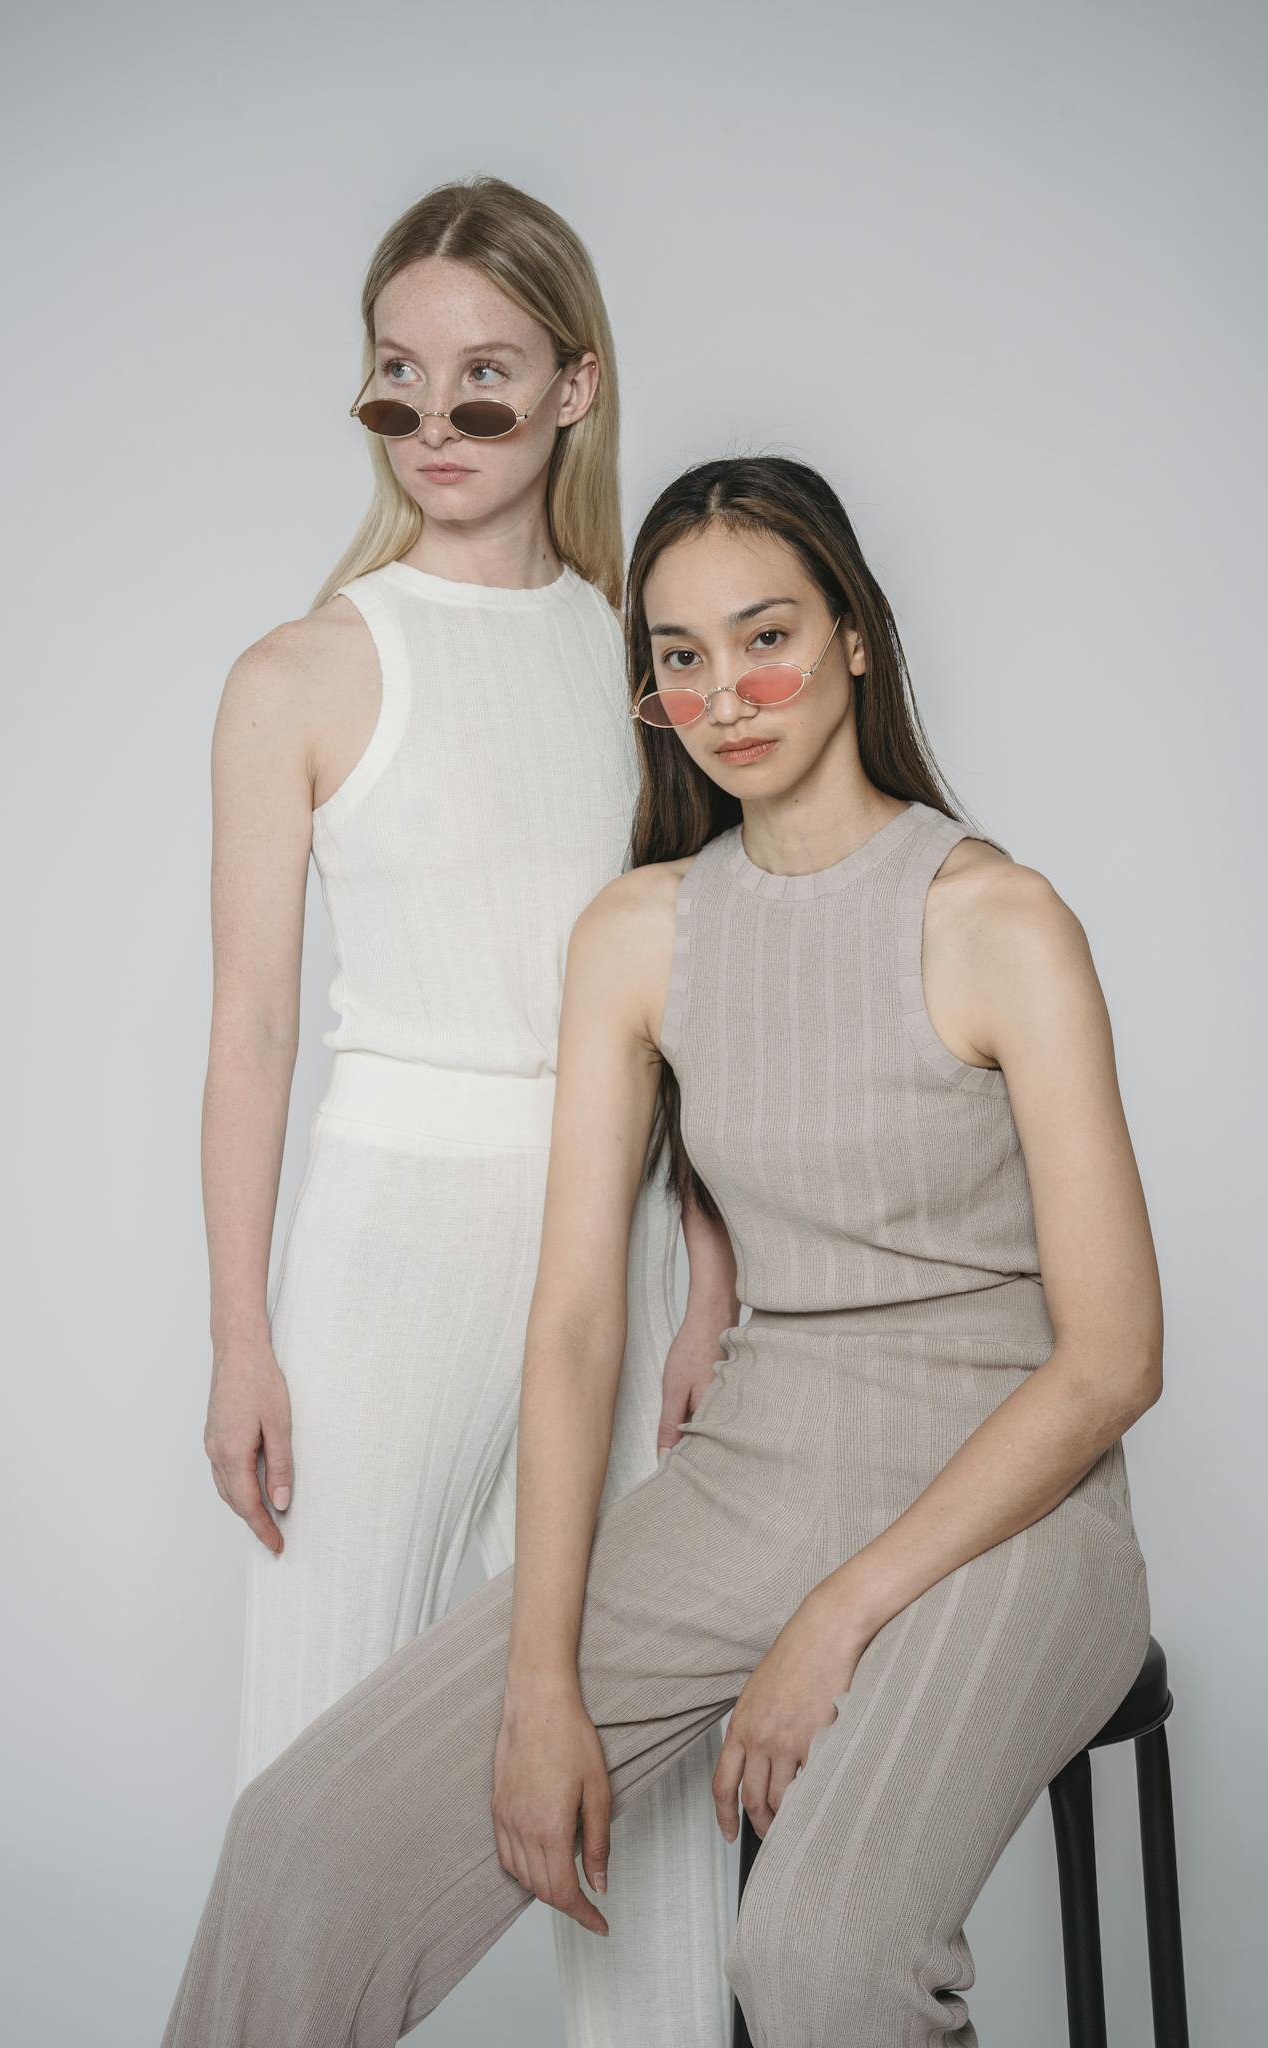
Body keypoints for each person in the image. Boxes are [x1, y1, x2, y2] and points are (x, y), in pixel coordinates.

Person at [165, 454, 1161, 2048]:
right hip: (752, 1479)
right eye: (680, 658)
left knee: (819, 1958)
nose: (725, 696)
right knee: (304, 1847)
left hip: (1015, 1508)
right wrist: (540, 1683)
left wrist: (835, 1614)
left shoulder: (998, 922)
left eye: (766, 637)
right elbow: (572, 1330)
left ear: (853, 636)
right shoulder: (638, 935)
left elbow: (1110, 1362)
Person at [199, 174, 733, 2045]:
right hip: (393, 1242)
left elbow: (694, 994)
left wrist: (707, 1272)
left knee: (637, 1752)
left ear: (574, 386)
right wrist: (242, 1337)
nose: (436, 420)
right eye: (398, 376)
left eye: (486, 376)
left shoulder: (640, 663)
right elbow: (253, 1026)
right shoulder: (303, 671)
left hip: (611, 1228)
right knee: (318, 1758)